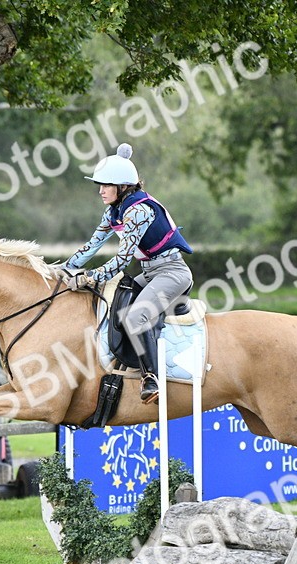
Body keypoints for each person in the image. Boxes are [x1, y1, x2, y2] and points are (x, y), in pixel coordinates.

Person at [64, 143, 194, 404]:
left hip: (172, 272)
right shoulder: (113, 211)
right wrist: (63, 269)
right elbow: (92, 245)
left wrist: (91, 276)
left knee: (137, 315)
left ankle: (151, 379)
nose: (100, 191)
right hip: (150, 273)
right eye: (99, 185)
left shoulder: (138, 211)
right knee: (112, 307)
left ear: (122, 186)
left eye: (105, 185)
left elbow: (122, 259)